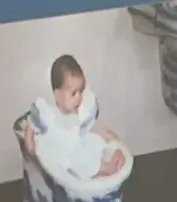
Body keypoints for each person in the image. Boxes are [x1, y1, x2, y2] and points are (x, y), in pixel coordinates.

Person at [22, 53, 130, 193]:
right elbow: (32, 125)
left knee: (91, 144)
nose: (78, 98)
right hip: (60, 152)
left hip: (76, 145)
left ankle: (105, 158)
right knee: (77, 163)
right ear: (57, 95)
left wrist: (105, 134)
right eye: (73, 93)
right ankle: (103, 168)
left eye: (80, 92)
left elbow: (89, 127)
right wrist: (29, 143)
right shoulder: (48, 114)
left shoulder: (79, 112)